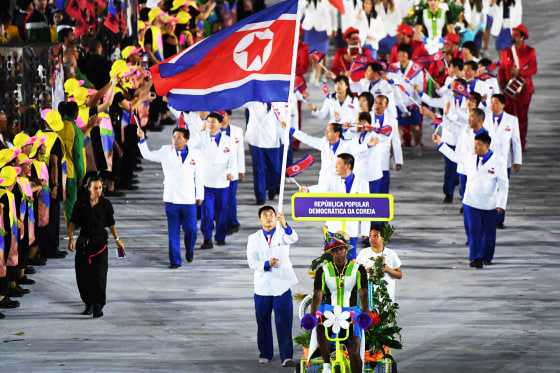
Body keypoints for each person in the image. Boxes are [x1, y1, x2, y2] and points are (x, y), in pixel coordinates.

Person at [433, 131, 508, 268]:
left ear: (487, 147)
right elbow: (454, 157)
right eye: (475, 145)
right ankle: (476, 257)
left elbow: (503, 185)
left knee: (489, 232)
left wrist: (501, 203)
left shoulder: (499, 162)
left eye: (479, 145)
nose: (475, 148)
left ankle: (487, 256)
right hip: (471, 201)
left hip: (489, 203)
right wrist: (440, 143)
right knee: (474, 230)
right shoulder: (469, 157)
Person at [137, 126, 204, 268]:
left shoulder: (195, 154)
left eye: (179, 137)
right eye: (173, 137)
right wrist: (142, 139)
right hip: (171, 197)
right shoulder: (165, 151)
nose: (175, 140)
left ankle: (189, 248)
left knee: (191, 229)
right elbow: (148, 155)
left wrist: (200, 194)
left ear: (186, 140)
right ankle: (175, 260)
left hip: (188, 198)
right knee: (173, 230)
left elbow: (199, 176)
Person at [306, 231, 370, 373]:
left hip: (352, 313)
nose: (338, 253)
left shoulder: (358, 269)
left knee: (354, 353)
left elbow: (363, 292)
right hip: (329, 312)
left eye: (341, 249)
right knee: (320, 327)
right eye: (335, 250)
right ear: (331, 253)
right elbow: (318, 294)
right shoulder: (323, 270)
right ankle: (327, 365)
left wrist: (366, 313)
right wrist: (312, 316)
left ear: (346, 250)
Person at [246, 205, 298, 367]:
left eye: (271, 215)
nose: (269, 218)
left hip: (282, 284)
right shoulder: (253, 238)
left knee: (284, 321)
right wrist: (267, 263)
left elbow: (293, 238)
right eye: (265, 215)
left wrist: (285, 224)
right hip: (262, 286)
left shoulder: (282, 234)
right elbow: (252, 262)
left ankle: (286, 356)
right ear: (260, 219)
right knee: (262, 321)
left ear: (276, 217)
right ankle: (265, 352)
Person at [68, 176, 125, 318]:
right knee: (83, 276)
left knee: (99, 276)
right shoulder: (80, 204)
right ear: (89, 189)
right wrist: (70, 239)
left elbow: (111, 223)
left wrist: (117, 240)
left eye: (100, 187)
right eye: (95, 188)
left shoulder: (106, 204)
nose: (98, 190)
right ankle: (88, 303)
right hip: (84, 244)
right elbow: (73, 223)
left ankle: (98, 305)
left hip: (100, 244)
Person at [299, 153, 369, 259]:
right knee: (330, 259)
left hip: (351, 229)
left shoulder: (362, 183)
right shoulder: (332, 178)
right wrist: (308, 190)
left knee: (350, 260)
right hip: (333, 228)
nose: (335, 166)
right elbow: (321, 188)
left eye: (338, 164)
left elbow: (366, 208)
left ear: (348, 166)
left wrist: (365, 231)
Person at [197, 112, 235, 249]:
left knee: (221, 211)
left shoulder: (228, 141)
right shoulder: (200, 138)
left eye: (213, 122)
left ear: (220, 123)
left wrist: (230, 173)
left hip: (222, 182)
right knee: (207, 212)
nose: (211, 125)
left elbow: (232, 161)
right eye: (208, 122)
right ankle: (207, 238)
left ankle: (220, 236)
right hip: (206, 181)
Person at [484, 94, 522, 228]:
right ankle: (488, 217)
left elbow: (516, 142)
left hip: (504, 161)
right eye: (491, 103)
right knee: (490, 189)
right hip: (487, 160)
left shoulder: (511, 120)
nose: (493, 106)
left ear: (503, 105)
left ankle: (499, 219)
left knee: (502, 189)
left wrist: (517, 160)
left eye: (496, 103)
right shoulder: (485, 118)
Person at [498, 24, 536, 151]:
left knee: (522, 117)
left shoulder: (530, 51)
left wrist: (519, 72)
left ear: (522, 37)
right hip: (509, 90)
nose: (513, 36)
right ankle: (508, 142)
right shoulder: (506, 52)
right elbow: (502, 69)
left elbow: (533, 69)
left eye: (516, 34)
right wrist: (502, 84)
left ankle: (521, 143)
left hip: (524, 90)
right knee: (508, 116)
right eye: (513, 34)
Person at [356, 224, 402, 301]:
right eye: (370, 236)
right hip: (368, 299)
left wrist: (388, 269)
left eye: (376, 236)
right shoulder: (363, 253)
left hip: (386, 299)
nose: (372, 238)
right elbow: (355, 272)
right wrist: (366, 271)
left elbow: (399, 275)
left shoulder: (391, 254)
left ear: (383, 238)